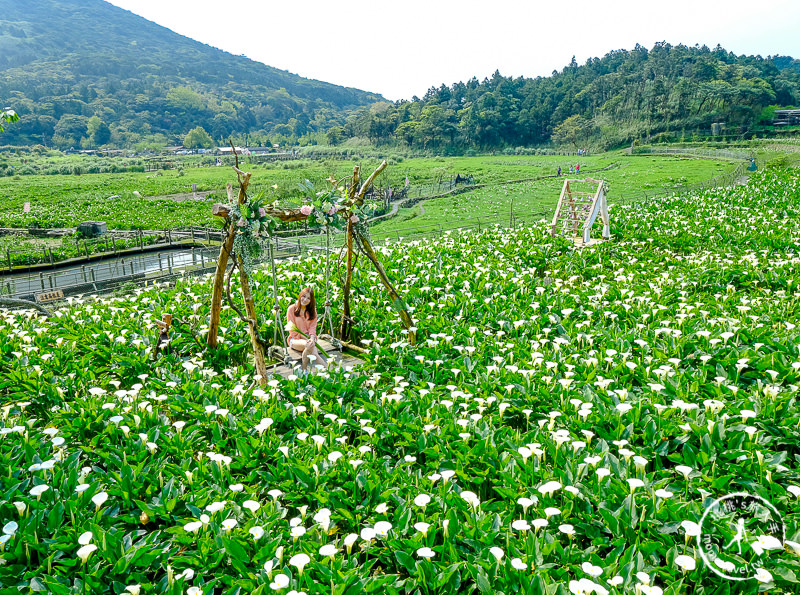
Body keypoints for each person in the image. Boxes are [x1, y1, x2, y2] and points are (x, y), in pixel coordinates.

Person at [287, 287, 327, 371]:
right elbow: (292, 331)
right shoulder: (291, 309)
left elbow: (313, 327)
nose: (305, 299)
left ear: (311, 301)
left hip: (310, 338)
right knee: (309, 346)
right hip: (295, 339)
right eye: (303, 296)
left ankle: (304, 370)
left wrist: (312, 338)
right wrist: (307, 338)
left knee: (311, 348)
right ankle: (327, 370)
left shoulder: (312, 311)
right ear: (300, 296)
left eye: (308, 298)